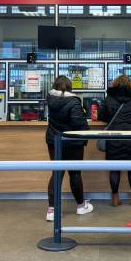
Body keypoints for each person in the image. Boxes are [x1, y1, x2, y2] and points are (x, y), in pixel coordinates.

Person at [45, 76, 93, 221]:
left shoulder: (50, 99)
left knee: (57, 172)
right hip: (72, 143)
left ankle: (52, 210)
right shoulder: (73, 102)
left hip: (54, 140)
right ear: (70, 87)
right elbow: (79, 124)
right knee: (75, 173)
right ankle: (80, 206)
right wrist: (86, 135)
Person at [99, 75, 131, 206]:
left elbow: (101, 115)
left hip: (114, 137)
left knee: (114, 169)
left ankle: (115, 198)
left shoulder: (109, 98)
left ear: (115, 84)